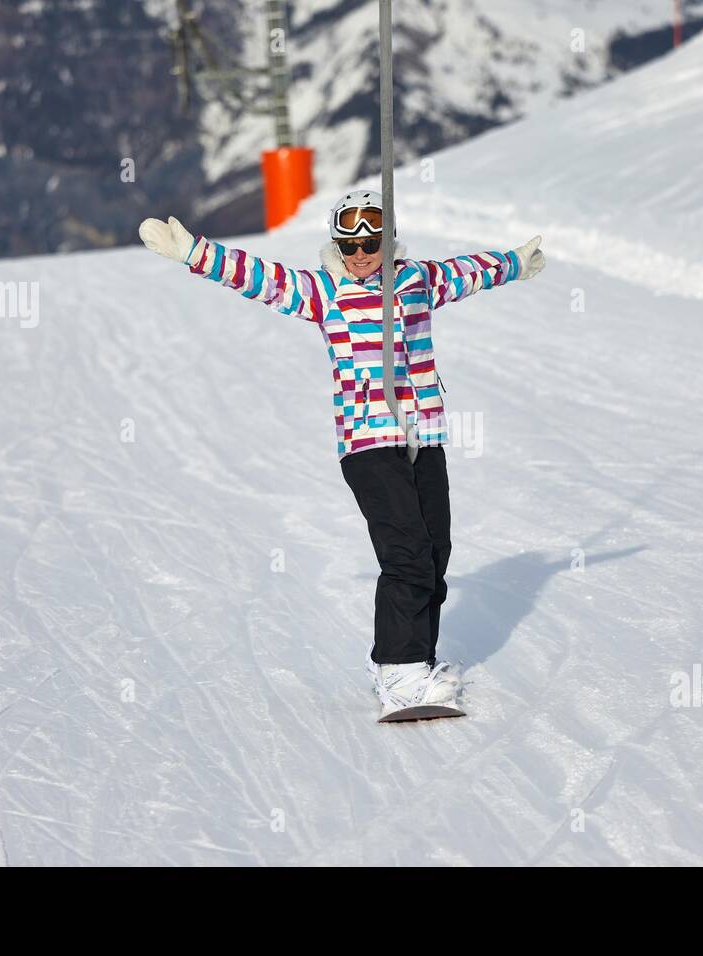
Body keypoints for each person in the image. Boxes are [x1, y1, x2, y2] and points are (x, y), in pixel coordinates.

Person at [138, 191, 545, 720]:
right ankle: (398, 673)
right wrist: (195, 253)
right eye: (350, 245)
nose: (360, 255)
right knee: (405, 553)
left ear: (387, 239)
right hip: (368, 441)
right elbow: (262, 278)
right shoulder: (325, 290)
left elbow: (468, 271)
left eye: (371, 243)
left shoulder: (415, 280)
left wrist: (514, 263)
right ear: (337, 245)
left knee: (435, 551)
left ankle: (417, 661)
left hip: (423, 434)